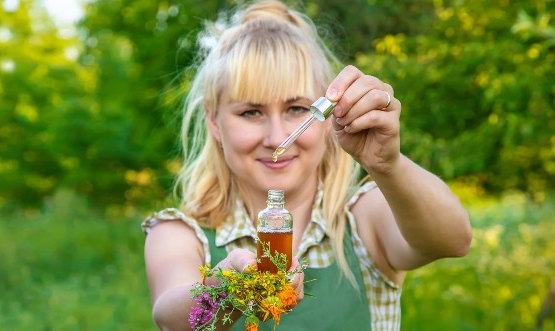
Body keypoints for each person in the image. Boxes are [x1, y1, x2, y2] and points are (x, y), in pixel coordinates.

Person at [141, 0, 472, 330]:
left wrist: (388, 164)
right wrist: (231, 288)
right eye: (250, 113)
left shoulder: (361, 220)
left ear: (328, 115)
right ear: (214, 120)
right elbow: (174, 320)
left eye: (297, 109)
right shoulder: (180, 234)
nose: (276, 137)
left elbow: (452, 241)